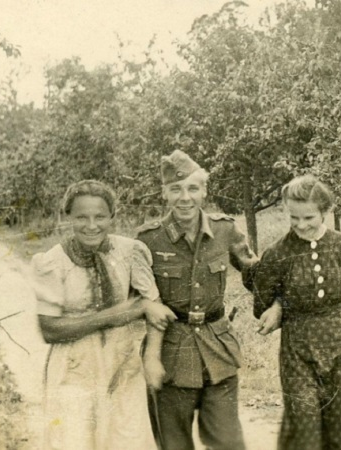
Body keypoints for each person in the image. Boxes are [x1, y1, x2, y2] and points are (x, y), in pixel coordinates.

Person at [31, 179, 176, 450]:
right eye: (81, 217)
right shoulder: (53, 262)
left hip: (123, 365)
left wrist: (151, 356)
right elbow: (49, 329)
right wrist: (114, 316)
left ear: (112, 216)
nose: (91, 225)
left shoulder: (129, 252)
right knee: (75, 441)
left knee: (128, 441)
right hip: (74, 368)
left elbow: (153, 306)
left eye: (100, 217)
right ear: (68, 217)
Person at [137, 150, 259, 450]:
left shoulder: (224, 229)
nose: (185, 198)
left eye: (193, 188)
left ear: (204, 191)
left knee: (229, 443)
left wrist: (279, 304)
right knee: (174, 444)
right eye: (175, 189)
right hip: (170, 356)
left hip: (218, 352)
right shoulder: (148, 239)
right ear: (164, 193)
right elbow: (134, 296)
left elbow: (257, 275)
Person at [253, 174, 341, 450]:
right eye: (294, 217)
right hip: (298, 352)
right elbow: (261, 306)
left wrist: (340, 333)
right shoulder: (277, 254)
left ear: (325, 211)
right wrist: (279, 306)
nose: (301, 225)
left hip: (340, 348)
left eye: (309, 217)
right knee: (304, 430)